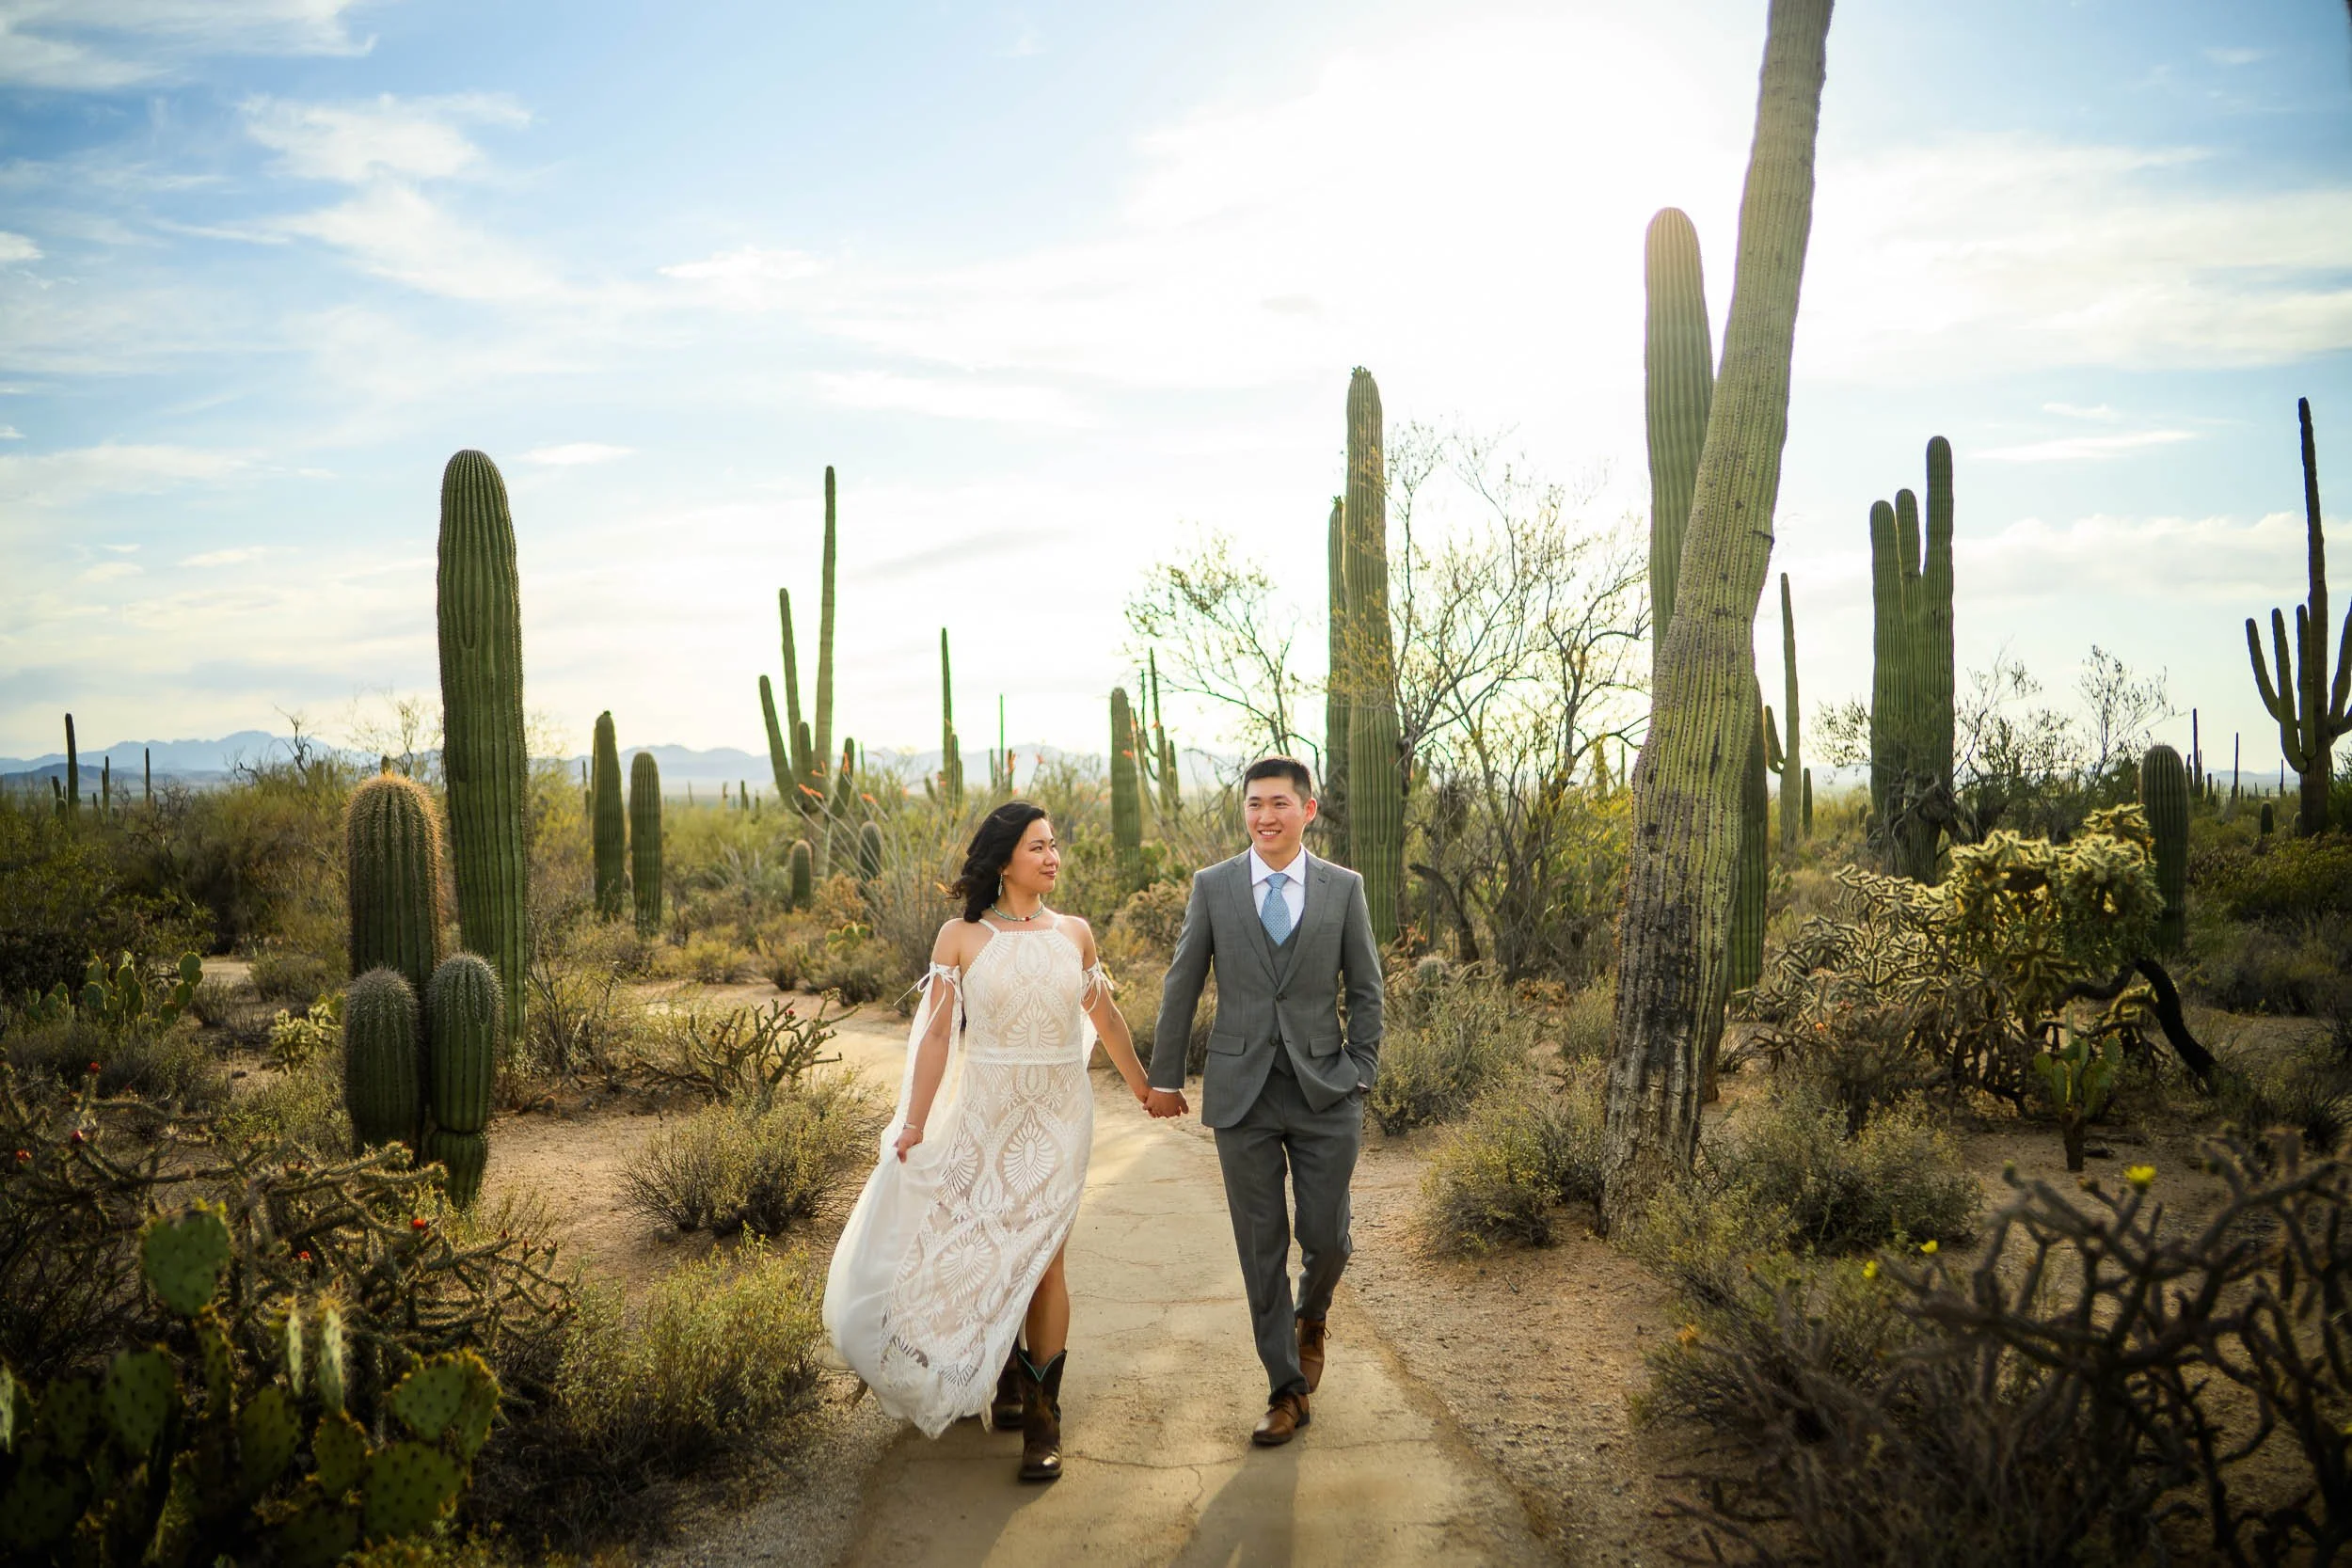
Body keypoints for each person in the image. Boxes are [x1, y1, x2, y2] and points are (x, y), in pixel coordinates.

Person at [823, 801, 1169, 1483]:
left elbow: (1105, 1016)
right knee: (988, 1244)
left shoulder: (1074, 933)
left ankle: (1043, 1421)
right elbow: (935, 1036)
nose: (1052, 857)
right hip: (986, 1116)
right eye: (1038, 846)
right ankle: (1002, 1367)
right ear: (1004, 859)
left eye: (1054, 845)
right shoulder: (961, 937)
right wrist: (915, 1121)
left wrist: (1143, 1088)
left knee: (1046, 1258)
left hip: (1059, 1118)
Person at [1146, 756, 1383, 1447]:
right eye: (1254, 803)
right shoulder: (1213, 886)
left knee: (1326, 1236)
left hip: (1325, 1089)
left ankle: (1314, 1312)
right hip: (1241, 1091)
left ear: (1307, 810)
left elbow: (1367, 988)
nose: (1265, 816)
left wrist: (1361, 1071)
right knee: (1260, 1245)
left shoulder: (1344, 888)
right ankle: (1286, 1388)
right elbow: (1182, 982)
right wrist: (1166, 1077)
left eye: (1279, 803)